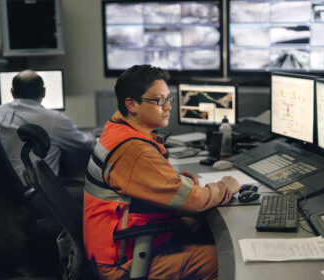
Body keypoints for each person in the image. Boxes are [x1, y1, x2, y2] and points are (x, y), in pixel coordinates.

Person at [83, 64, 240, 280]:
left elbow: (148, 182)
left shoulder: (118, 129)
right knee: (226, 259)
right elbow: (193, 200)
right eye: (159, 101)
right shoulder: (134, 150)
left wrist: (181, 183)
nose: (167, 107)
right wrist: (225, 187)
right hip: (123, 261)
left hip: (119, 242)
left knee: (210, 231)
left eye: (169, 99)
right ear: (132, 104)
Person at [0, 69, 95, 182]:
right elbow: (85, 145)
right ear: (43, 92)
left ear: (12, 92)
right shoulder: (54, 119)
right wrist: (90, 137)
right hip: (41, 193)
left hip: (6, 193)